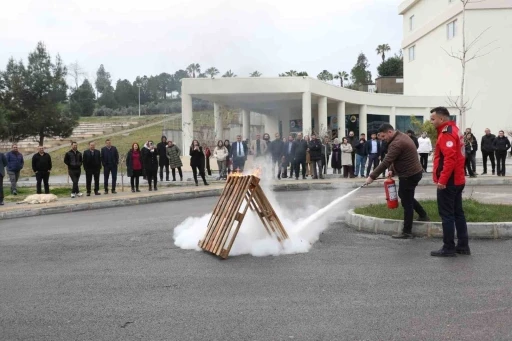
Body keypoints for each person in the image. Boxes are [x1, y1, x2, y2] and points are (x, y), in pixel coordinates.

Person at [365, 124, 429, 239]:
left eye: (383, 136)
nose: (383, 139)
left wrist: (372, 177)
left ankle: (407, 231)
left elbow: (386, 161)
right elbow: (397, 158)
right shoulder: (400, 136)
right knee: (404, 196)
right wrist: (392, 170)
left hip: (409, 175)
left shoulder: (397, 143)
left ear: (389, 132)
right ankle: (423, 215)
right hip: (412, 173)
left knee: (406, 202)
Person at [430, 107, 469, 257]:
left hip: (449, 180)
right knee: (458, 213)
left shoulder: (446, 133)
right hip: (458, 179)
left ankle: (448, 247)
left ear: (441, 119)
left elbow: (449, 159)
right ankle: (463, 246)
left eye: (433, 119)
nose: (431, 122)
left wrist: (442, 180)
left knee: (447, 214)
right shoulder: (455, 129)